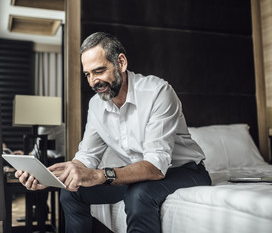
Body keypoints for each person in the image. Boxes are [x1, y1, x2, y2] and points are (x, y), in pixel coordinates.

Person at [15, 32, 211, 233]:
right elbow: (87, 156)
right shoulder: (96, 105)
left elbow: (155, 167)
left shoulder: (158, 92)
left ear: (121, 63)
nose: (93, 82)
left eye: (99, 71)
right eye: (88, 74)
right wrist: (49, 177)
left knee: (139, 195)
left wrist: (100, 175)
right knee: (71, 193)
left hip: (185, 170)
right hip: (138, 174)